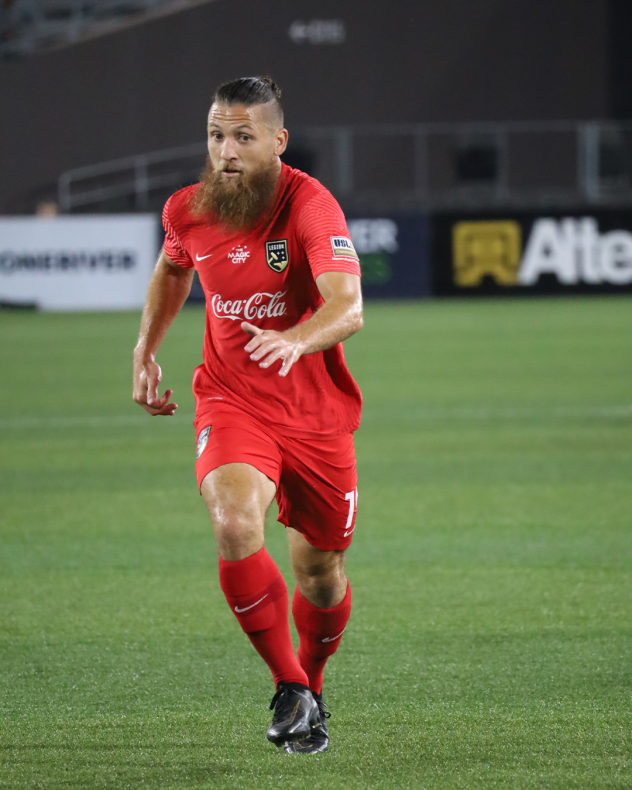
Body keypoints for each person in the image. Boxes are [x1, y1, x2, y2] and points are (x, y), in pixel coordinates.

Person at [132, 76, 363, 754]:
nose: (224, 151)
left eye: (241, 136)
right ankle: (288, 684)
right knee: (233, 522)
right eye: (214, 136)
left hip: (316, 415)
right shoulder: (189, 209)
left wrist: (295, 337)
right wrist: (146, 348)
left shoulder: (310, 205)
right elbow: (174, 270)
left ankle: (311, 688)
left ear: (277, 141)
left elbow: (347, 305)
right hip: (231, 400)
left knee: (321, 575)